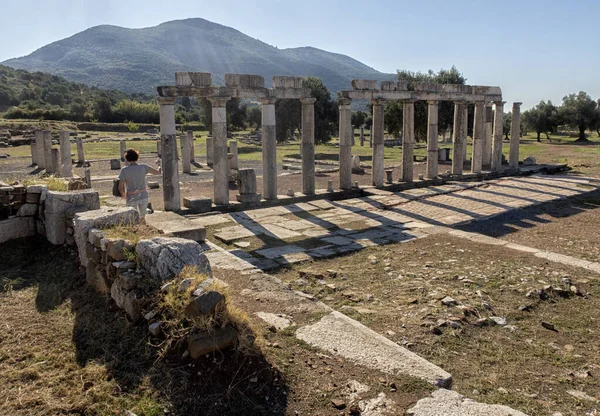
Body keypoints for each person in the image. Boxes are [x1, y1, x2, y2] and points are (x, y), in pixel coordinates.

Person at [118, 148, 161, 224]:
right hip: (143, 195)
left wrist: (123, 195)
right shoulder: (143, 167)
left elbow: (120, 187)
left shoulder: (124, 170)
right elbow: (157, 172)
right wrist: (159, 165)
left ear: (127, 158)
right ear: (137, 157)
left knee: (132, 219)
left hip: (131, 196)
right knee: (142, 217)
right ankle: (144, 231)